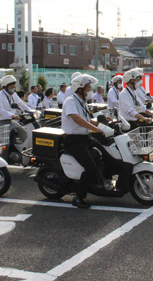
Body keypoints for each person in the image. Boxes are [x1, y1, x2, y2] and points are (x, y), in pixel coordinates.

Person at [61, 74, 107, 209]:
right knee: (90, 168)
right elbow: (77, 119)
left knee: (106, 153)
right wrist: (95, 128)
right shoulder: (70, 101)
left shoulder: (82, 101)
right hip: (74, 141)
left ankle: (101, 182)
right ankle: (78, 197)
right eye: (88, 87)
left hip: (85, 138)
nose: (90, 89)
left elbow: (86, 119)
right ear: (80, 88)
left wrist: (102, 123)